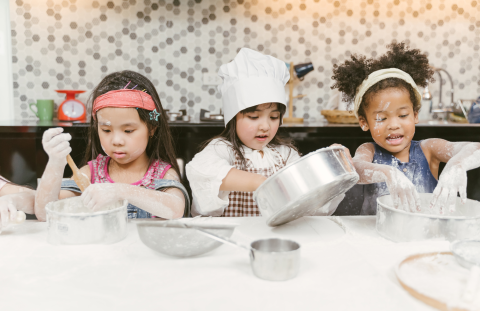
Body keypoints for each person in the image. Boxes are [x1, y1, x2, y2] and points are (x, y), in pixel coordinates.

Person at [187, 48, 344, 217]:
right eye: (254, 117)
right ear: (233, 117)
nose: (265, 126)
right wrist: (261, 182)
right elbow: (202, 172)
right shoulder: (222, 149)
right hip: (232, 237)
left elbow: (310, 199)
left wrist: (331, 162)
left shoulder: (285, 154)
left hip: (273, 239)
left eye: (274, 117)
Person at [331, 42, 480, 215]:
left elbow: (475, 148)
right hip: (378, 238)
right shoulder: (369, 150)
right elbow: (356, 167)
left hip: (423, 238)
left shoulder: (429, 149)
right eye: (381, 118)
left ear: (415, 115)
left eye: (403, 116)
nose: (394, 125)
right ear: (364, 122)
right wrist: (389, 173)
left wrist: (458, 164)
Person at [34, 71, 189, 221]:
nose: (116, 140)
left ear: (151, 128)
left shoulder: (162, 174)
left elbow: (175, 209)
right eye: (106, 130)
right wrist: (55, 163)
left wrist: (120, 191)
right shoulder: (90, 174)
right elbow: (45, 213)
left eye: (128, 130)